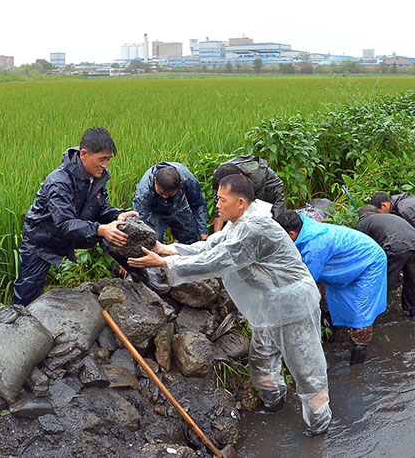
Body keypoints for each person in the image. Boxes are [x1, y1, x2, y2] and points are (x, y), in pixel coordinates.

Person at [127, 174, 331, 436]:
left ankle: (319, 429)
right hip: (268, 308)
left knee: (307, 368)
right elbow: (211, 247)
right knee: (262, 362)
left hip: (293, 307)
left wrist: (165, 264)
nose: (218, 205)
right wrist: (166, 249)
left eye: (222, 199)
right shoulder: (238, 224)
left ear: (241, 202)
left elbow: (219, 260)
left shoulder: (256, 228)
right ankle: (274, 403)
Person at [13, 127, 138, 306]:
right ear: (84, 154)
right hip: (43, 239)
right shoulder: (59, 182)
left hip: (76, 232)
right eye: (101, 159)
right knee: (25, 298)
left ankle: (142, 280)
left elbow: (100, 208)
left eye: (108, 160)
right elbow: (65, 223)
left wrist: (118, 215)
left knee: (117, 233)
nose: (105, 165)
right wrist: (101, 229)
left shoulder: (98, 176)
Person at [276, 211, 387, 365]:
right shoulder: (305, 230)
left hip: (369, 263)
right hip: (348, 262)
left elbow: (304, 282)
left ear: (292, 234)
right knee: (334, 300)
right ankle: (335, 339)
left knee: (361, 315)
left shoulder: (315, 246)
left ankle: (358, 362)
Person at [357, 205, 415, 317]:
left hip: (397, 246)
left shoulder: (363, 223)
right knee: (413, 282)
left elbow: (362, 251)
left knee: (383, 281)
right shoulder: (388, 218)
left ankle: (372, 317)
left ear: (361, 216)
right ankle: (414, 315)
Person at [133, 162, 208, 244]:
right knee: (153, 240)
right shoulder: (144, 191)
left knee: (190, 236)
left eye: (169, 194)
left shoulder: (188, 180)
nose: (165, 196)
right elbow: (141, 218)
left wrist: (203, 233)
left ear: (179, 186)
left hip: (177, 205)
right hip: (152, 211)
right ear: (155, 183)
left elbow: (198, 205)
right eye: (161, 193)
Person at [211, 154, 286, 232]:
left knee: (271, 223)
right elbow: (218, 208)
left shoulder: (256, 178)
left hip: (273, 191)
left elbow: (253, 208)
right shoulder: (218, 176)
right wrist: (217, 235)